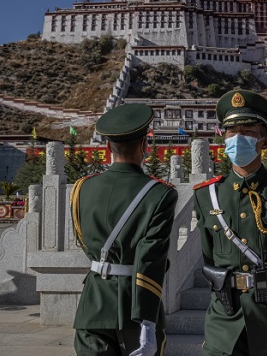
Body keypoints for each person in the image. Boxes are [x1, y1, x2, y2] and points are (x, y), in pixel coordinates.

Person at [193, 90, 267, 356]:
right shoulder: (207, 195)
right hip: (224, 314)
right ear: (222, 138)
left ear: (264, 141)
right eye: (231, 131)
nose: (238, 138)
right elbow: (207, 253)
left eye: (248, 132)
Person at [71, 103, 178, 356]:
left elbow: (84, 242)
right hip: (136, 308)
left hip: (92, 305)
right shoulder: (160, 193)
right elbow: (150, 258)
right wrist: (148, 322)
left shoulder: (82, 188)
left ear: (108, 147)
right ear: (144, 146)